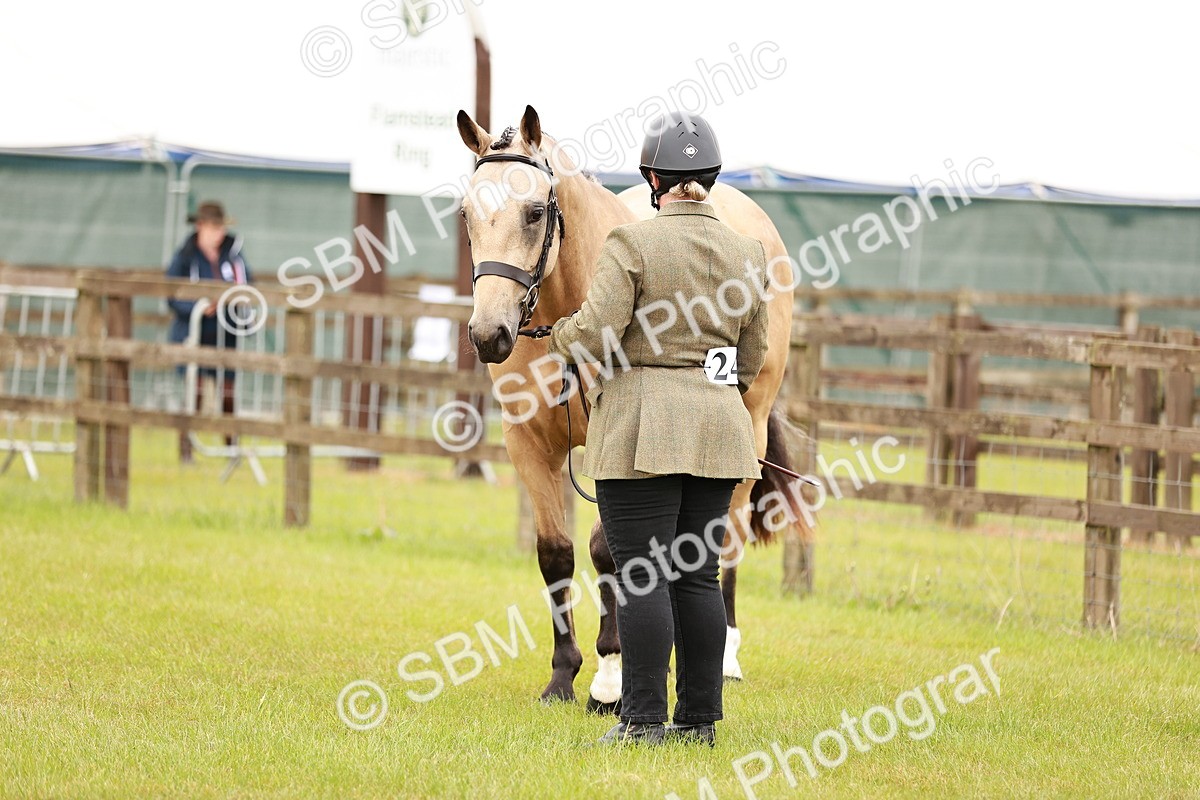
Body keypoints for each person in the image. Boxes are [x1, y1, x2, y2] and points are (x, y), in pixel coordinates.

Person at [547, 112, 770, 746]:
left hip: (640, 430)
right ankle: (699, 721)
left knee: (641, 572)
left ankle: (642, 719)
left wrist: (555, 334)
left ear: (652, 178)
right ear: (711, 177)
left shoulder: (631, 245)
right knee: (698, 577)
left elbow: (592, 332)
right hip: (720, 431)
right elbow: (750, 358)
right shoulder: (747, 253)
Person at [165, 201, 253, 463]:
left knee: (227, 393)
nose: (219, 233)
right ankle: (186, 451)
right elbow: (171, 293)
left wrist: (235, 306)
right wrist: (197, 307)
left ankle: (231, 450)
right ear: (201, 226)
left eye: (221, 227)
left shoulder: (233, 256)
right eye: (214, 227)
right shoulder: (185, 256)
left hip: (225, 335)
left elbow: (247, 286)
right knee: (195, 391)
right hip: (193, 335)